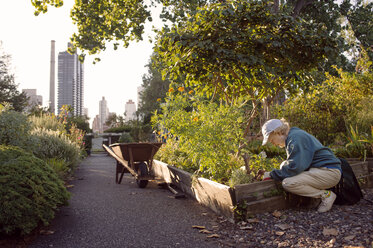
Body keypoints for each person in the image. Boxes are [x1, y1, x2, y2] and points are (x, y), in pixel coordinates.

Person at [261, 119, 342, 213]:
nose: (273, 144)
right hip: (322, 170)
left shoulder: (296, 138)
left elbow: (295, 167)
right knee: (283, 164)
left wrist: (271, 174)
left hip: (329, 172)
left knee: (288, 183)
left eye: (271, 140)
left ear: (278, 132)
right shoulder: (294, 135)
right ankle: (316, 198)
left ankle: (326, 195)